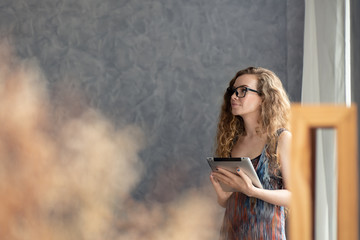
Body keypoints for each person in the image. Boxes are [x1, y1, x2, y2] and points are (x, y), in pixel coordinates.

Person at [210, 67, 291, 240]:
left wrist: (253, 191)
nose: (233, 96)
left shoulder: (281, 139)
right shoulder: (232, 141)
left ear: (264, 98)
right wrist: (222, 197)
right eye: (233, 91)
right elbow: (230, 201)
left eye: (243, 91)